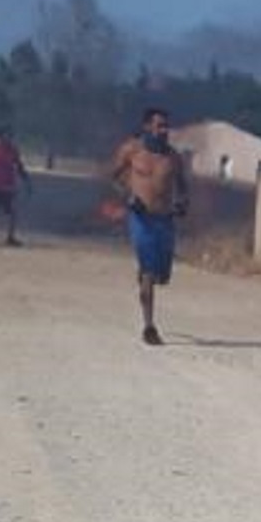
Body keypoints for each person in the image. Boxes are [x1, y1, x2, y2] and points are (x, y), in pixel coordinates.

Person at [110, 107, 190, 345]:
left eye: (166, 126)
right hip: (140, 218)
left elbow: (183, 187)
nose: (164, 130)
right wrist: (128, 196)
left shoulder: (173, 158)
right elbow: (114, 178)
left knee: (161, 276)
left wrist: (182, 203)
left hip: (164, 220)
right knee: (148, 272)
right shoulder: (132, 150)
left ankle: (148, 275)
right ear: (147, 127)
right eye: (159, 125)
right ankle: (149, 327)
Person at [0, 126, 32, 246]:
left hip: (8, 187)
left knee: (13, 212)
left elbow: (20, 167)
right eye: (5, 135)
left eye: (9, 135)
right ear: (0, 137)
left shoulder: (13, 151)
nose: (8, 138)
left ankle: (10, 237)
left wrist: (27, 181)